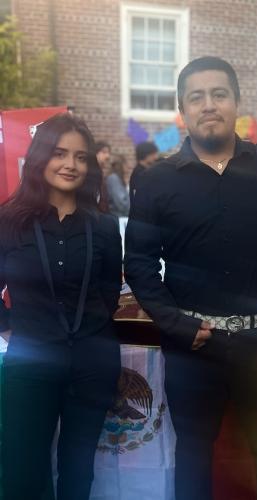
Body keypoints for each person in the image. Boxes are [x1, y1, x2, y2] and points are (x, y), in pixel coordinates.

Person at [124, 56, 257, 500]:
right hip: (193, 348)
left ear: (236, 102)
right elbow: (140, 263)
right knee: (195, 456)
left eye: (219, 94)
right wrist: (176, 324)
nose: (209, 105)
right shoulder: (156, 180)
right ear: (183, 110)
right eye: (196, 97)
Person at [0, 113, 122, 500]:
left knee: (78, 469)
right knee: (22, 469)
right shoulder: (8, 222)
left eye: (81, 157)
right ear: (40, 158)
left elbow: (108, 293)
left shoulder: (103, 226)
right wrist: (12, 321)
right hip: (30, 361)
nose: (71, 165)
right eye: (59, 153)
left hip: (93, 362)